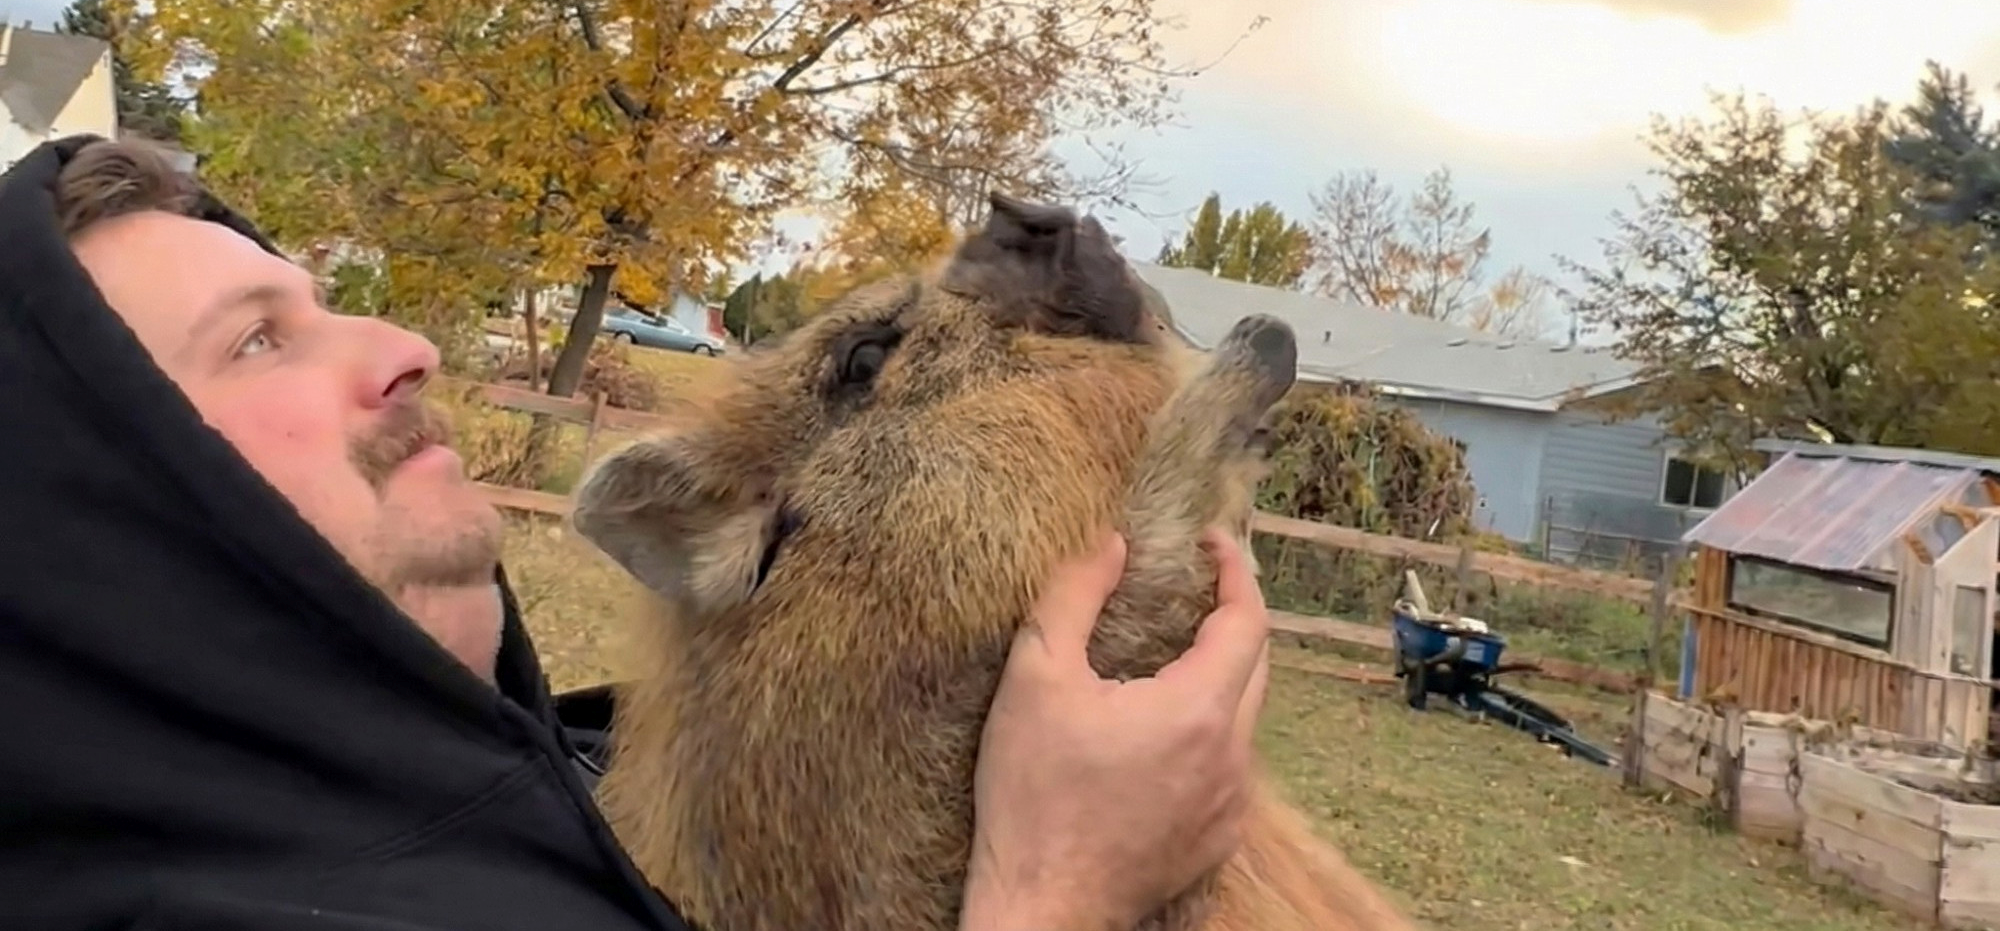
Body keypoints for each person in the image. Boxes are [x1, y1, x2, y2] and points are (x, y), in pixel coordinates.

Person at [0, 134, 1275, 931]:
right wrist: (1058, 899)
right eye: (256, 339)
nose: (405, 348)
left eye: (327, 306)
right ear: (103, 505)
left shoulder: (531, 776)